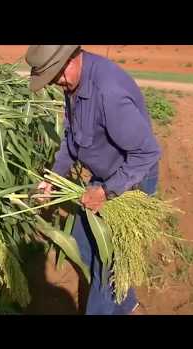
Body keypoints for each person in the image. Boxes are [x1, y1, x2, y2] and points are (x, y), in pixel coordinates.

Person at [25, 45, 161, 315]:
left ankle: (109, 302)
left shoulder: (108, 93)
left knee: (106, 265)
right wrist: (53, 179)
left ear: (71, 59)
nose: (56, 83)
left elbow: (147, 152)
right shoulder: (73, 85)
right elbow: (71, 140)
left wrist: (107, 192)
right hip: (104, 178)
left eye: (55, 76)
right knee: (80, 241)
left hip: (128, 182)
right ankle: (125, 302)